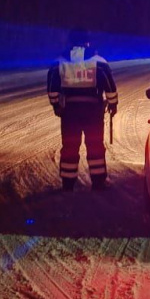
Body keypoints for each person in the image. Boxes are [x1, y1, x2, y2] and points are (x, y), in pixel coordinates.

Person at [47, 27, 118, 191]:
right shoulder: (99, 61)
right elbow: (110, 86)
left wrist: (57, 105)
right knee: (95, 145)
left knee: (70, 146)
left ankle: (68, 183)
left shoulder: (59, 62)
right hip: (93, 111)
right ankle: (98, 182)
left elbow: (52, 88)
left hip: (70, 112)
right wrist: (113, 104)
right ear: (88, 42)